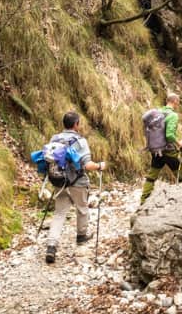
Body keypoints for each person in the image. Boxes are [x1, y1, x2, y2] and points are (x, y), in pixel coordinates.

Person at [45, 111, 106, 264]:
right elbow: (87, 165)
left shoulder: (55, 138)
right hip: (77, 182)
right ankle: (81, 236)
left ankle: (51, 246)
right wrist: (100, 166)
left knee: (59, 214)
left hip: (59, 182)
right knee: (82, 209)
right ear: (76, 124)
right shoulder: (80, 141)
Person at [140, 93, 182, 204]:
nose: (178, 104)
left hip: (156, 151)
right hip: (168, 151)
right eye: (178, 102)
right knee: (181, 175)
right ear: (175, 101)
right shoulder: (173, 115)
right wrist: (180, 143)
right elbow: (169, 135)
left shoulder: (158, 113)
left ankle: (143, 201)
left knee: (152, 176)